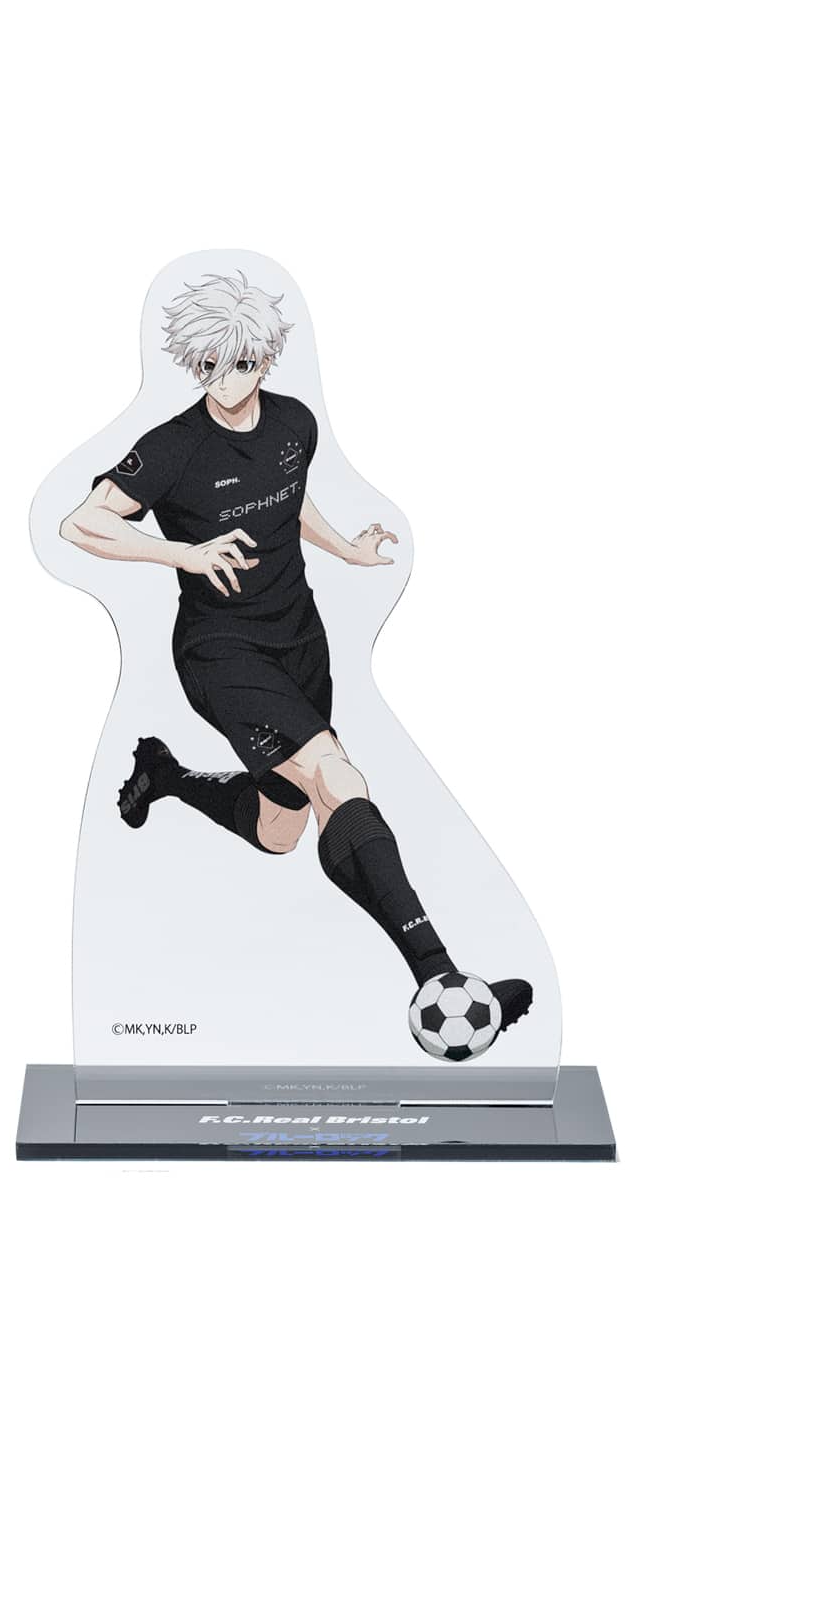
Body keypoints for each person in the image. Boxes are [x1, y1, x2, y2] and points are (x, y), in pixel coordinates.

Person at [60, 271, 530, 1050]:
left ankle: (165, 775)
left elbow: (288, 493)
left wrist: (346, 548)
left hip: (300, 642)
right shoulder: (173, 447)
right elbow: (82, 523)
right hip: (221, 653)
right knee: (338, 778)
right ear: (194, 363)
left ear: (267, 358)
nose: (225, 379)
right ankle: (443, 978)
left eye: (241, 362)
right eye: (209, 364)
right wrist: (183, 552)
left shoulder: (293, 424)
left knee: (281, 829)